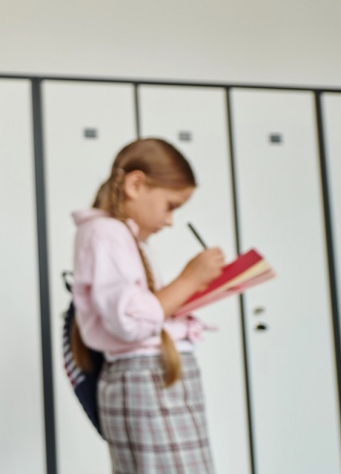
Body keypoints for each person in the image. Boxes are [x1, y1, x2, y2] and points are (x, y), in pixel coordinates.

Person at [70, 138, 225, 473]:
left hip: (155, 376)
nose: (170, 220)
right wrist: (188, 280)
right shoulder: (106, 234)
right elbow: (129, 321)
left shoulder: (123, 237)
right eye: (171, 206)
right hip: (146, 378)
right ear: (135, 185)